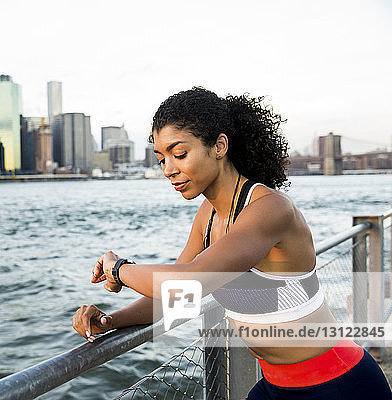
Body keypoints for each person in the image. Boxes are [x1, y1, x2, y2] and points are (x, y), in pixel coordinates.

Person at [72, 88, 392, 399]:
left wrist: (119, 268)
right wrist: (108, 321)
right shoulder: (207, 215)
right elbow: (178, 296)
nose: (169, 170)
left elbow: (192, 281)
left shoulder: (270, 209)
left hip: (338, 383)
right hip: (275, 385)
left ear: (219, 145)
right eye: (161, 159)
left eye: (179, 154)